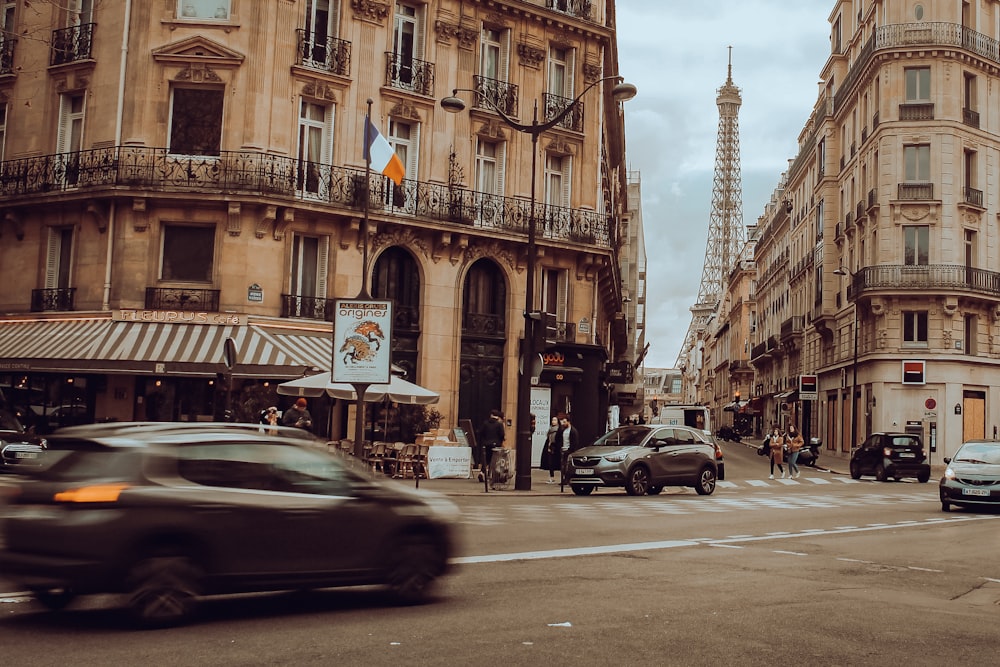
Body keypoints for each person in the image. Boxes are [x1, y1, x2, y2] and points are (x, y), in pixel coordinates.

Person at [477, 409, 506, 481]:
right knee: (494, 460)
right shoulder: (499, 424)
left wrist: (484, 440)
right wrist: (501, 441)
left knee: (486, 459)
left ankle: (482, 472)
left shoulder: (486, 423)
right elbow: (502, 434)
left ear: (491, 415)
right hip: (496, 445)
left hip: (487, 444)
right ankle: (491, 475)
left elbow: (481, 432)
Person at [541, 416, 560, 484]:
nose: (553, 421)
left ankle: (560, 478)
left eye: (555, 420)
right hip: (550, 447)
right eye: (552, 420)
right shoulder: (550, 429)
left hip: (555, 448)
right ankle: (551, 477)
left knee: (556, 463)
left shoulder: (558, 430)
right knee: (550, 463)